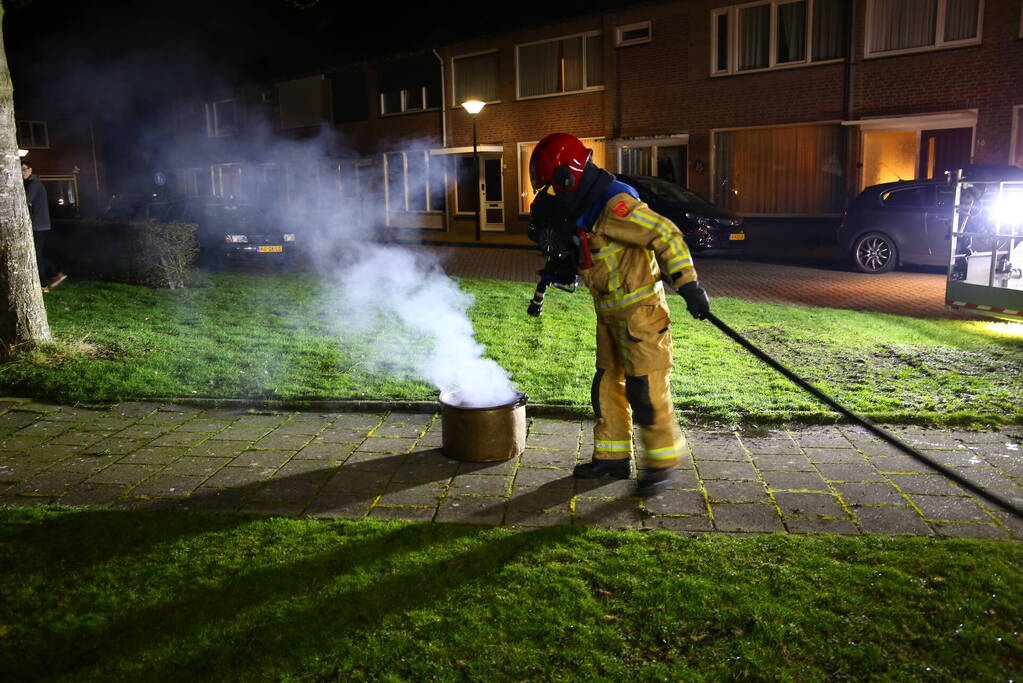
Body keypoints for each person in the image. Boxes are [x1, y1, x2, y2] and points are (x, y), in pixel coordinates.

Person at [528, 133, 711, 496]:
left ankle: (662, 465)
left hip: (641, 315)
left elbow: (666, 235)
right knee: (608, 388)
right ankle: (612, 459)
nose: (554, 194)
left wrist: (688, 285)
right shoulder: (586, 209)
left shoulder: (615, 206)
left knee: (646, 392)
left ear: (570, 175)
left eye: (555, 185)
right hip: (610, 316)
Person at [22, 162, 66, 292]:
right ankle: (55, 274)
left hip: (38, 225)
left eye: (24, 170)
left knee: (36, 254)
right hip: (39, 224)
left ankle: (45, 283)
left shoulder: (34, 184)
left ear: (30, 169)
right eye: (20, 171)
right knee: (37, 253)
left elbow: (25, 200)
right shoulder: (32, 183)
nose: (22, 173)